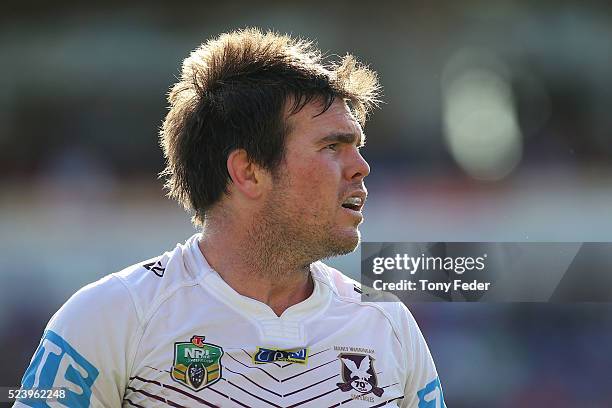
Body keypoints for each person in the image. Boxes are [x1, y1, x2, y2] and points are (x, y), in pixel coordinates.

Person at [14, 28, 446, 407]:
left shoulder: (388, 324)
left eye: (357, 145)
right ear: (248, 172)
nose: (361, 167)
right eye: (332, 146)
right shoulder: (112, 316)